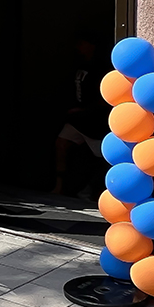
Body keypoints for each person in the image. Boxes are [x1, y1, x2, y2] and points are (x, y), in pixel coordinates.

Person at [54, 33, 110, 197]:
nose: (78, 47)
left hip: (95, 120)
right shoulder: (80, 65)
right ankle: (59, 186)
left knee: (103, 156)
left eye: (82, 43)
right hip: (78, 120)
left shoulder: (100, 68)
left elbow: (104, 98)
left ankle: (96, 190)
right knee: (61, 143)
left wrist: (86, 110)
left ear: (91, 46)